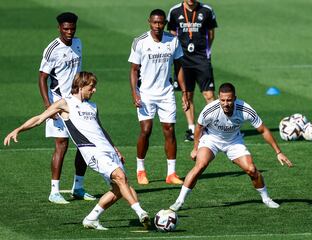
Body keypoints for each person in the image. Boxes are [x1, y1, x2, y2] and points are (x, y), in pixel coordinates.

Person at [4, 72, 151, 230]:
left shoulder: (93, 106)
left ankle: (91, 218)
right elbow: (39, 118)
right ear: (81, 86)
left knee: (121, 189)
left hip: (108, 151)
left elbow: (101, 130)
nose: (94, 90)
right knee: (120, 177)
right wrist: (19, 129)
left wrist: (115, 149)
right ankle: (141, 213)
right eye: (91, 87)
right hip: (92, 152)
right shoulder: (65, 103)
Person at [168, 83, 293, 212]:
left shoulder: (245, 109)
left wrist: (278, 152)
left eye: (229, 100)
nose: (226, 103)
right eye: (222, 100)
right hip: (211, 139)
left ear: (235, 98)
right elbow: (199, 127)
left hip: (234, 141)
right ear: (218, 98)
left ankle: (266, 199)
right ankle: (179, 201)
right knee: (200, 166)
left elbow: (263, 130)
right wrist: (195, 148)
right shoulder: (210, 110)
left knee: (251, 169)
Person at [38, 12, 95, 204]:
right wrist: (48, 106)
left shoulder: (78, 43)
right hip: (58, 103)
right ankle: (54, 191)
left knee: (84, 144)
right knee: (61, 145)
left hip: (77, 102)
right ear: (59, 28)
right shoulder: (52, 49)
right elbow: (42, 78)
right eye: (66, 29)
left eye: (72, 28)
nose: (69, 32)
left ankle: (78, 187)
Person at [128, 9, 189, 185]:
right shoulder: (140, 42)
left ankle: (171, 173)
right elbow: (133, 70)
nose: (157, 26)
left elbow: (179, 68)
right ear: (149, 22)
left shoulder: (173, 41)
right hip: (146, 93)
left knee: (169, 130)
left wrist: (184, 92)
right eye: (154, 22)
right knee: (146, 130)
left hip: (166, 92)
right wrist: (135, 93)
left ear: (165, 23)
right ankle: (140, 170)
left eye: (161, 23)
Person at [167, 0, 218, 142]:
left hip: (201, 59)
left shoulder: (207, 10)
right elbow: (172, 35)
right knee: (187, 95)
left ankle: (214, 128)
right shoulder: (174, 11)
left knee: (209, 94)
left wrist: (205, 51)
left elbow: (211, 34)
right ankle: (191, 129)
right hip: (182, 60)